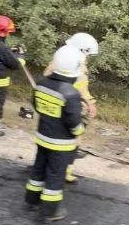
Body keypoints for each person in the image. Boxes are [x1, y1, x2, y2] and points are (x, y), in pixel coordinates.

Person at [24, 45, 86, 223]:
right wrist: (79, 132)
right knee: (55, 176)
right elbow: (73, 120)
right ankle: (49, 211)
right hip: (61, 144)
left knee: (38, 169)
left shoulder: (41, 83)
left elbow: (36, 105)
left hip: (43, 137)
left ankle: (31, 200)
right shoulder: (71, 94)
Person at [43, 32, 100, 185]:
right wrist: (88, 102)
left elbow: (82, 87)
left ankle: (61, 168)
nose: (88, 57)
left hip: (70, 102)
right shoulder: (69, 64)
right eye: (87, 54)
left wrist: (89, 102)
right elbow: (77, 87)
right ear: (82, 50)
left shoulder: (68, 61)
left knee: (68, 138)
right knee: (72, 137)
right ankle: (60, 170)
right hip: (68, 104)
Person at [0, 14, 26, 138]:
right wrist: (20, 56)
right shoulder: (1, 47)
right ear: (1, 32)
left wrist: (10, 50)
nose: (8, 34)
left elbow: (0, 54)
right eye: (7, 32)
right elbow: (15, 65)